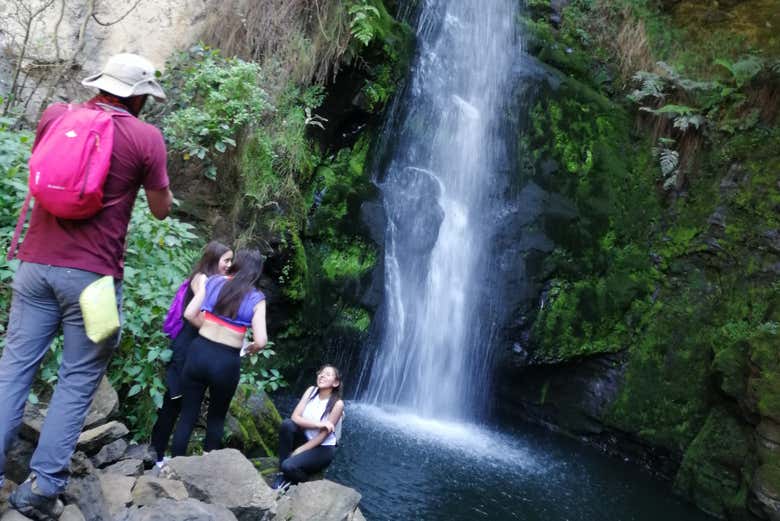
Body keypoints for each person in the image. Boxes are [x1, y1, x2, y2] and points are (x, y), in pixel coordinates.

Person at [0, 53, 171, 520]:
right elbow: (160, 209)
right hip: (93, 283)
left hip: (34, 267)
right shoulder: (145, 137)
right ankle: (42, 488)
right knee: (77, 380)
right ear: (139, 97)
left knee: (13, 369)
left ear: (100, 85)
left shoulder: (57, 116)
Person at [170, 249, 268, 457]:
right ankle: (209, 472)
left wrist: (207, 327)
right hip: (226, 361)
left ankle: (172, 468)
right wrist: (250, 348)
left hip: (199, 352)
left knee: (187, 415)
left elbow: (189, 313)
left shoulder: (213, 281)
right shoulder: (257, 298)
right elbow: (261, 340)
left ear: (236, 264)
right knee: (216, 418)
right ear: (257, 271)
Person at [150, 241, 232, 465]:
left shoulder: (206, 278)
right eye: (226, 260)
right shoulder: (203, 280)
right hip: (185, 348)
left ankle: (159, 453)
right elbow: (193, 314)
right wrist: (215, 330)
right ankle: (157, 454)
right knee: (174, 401)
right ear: (214, 259)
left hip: (190, 348)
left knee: (178, 403)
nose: (229, 265)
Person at [272, 365, 344, 489]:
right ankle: (282, 473)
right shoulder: (311, 390)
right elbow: (295, 417)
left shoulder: (338, 404)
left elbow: (322, 437)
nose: (322, 375)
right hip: (305, 437)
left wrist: (299, 450)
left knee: (289, 466)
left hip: (322, 448)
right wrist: (318, 424)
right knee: (287, 424)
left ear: (336, 382)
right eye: (321, 373)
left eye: (327, 374)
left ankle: (303, 482)